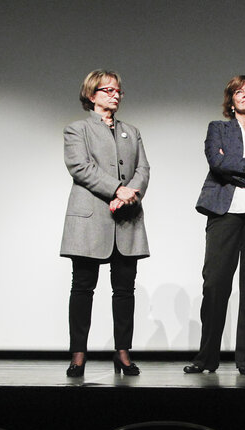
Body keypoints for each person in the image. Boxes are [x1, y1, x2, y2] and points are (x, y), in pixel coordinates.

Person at [184, 75, 245, 376]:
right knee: (214, 284)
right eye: (239, 92)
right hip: (222, 210)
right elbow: (217, 163)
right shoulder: (218, 129)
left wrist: (236, 167)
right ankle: (206, 358)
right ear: (231, 101)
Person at [61, 69, 150, 377]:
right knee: (83, 288)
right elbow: (80, 167)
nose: (115, 95)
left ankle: (123, 353)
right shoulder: (77, 130)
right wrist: (116, 189)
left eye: (117, 91)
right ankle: (78, 354)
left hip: (126, 220)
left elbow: (143, 169)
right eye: (108, 90)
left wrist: (129, 194)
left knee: (125, 291)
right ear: (91, 94)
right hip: (89, 220)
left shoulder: (132, 131)